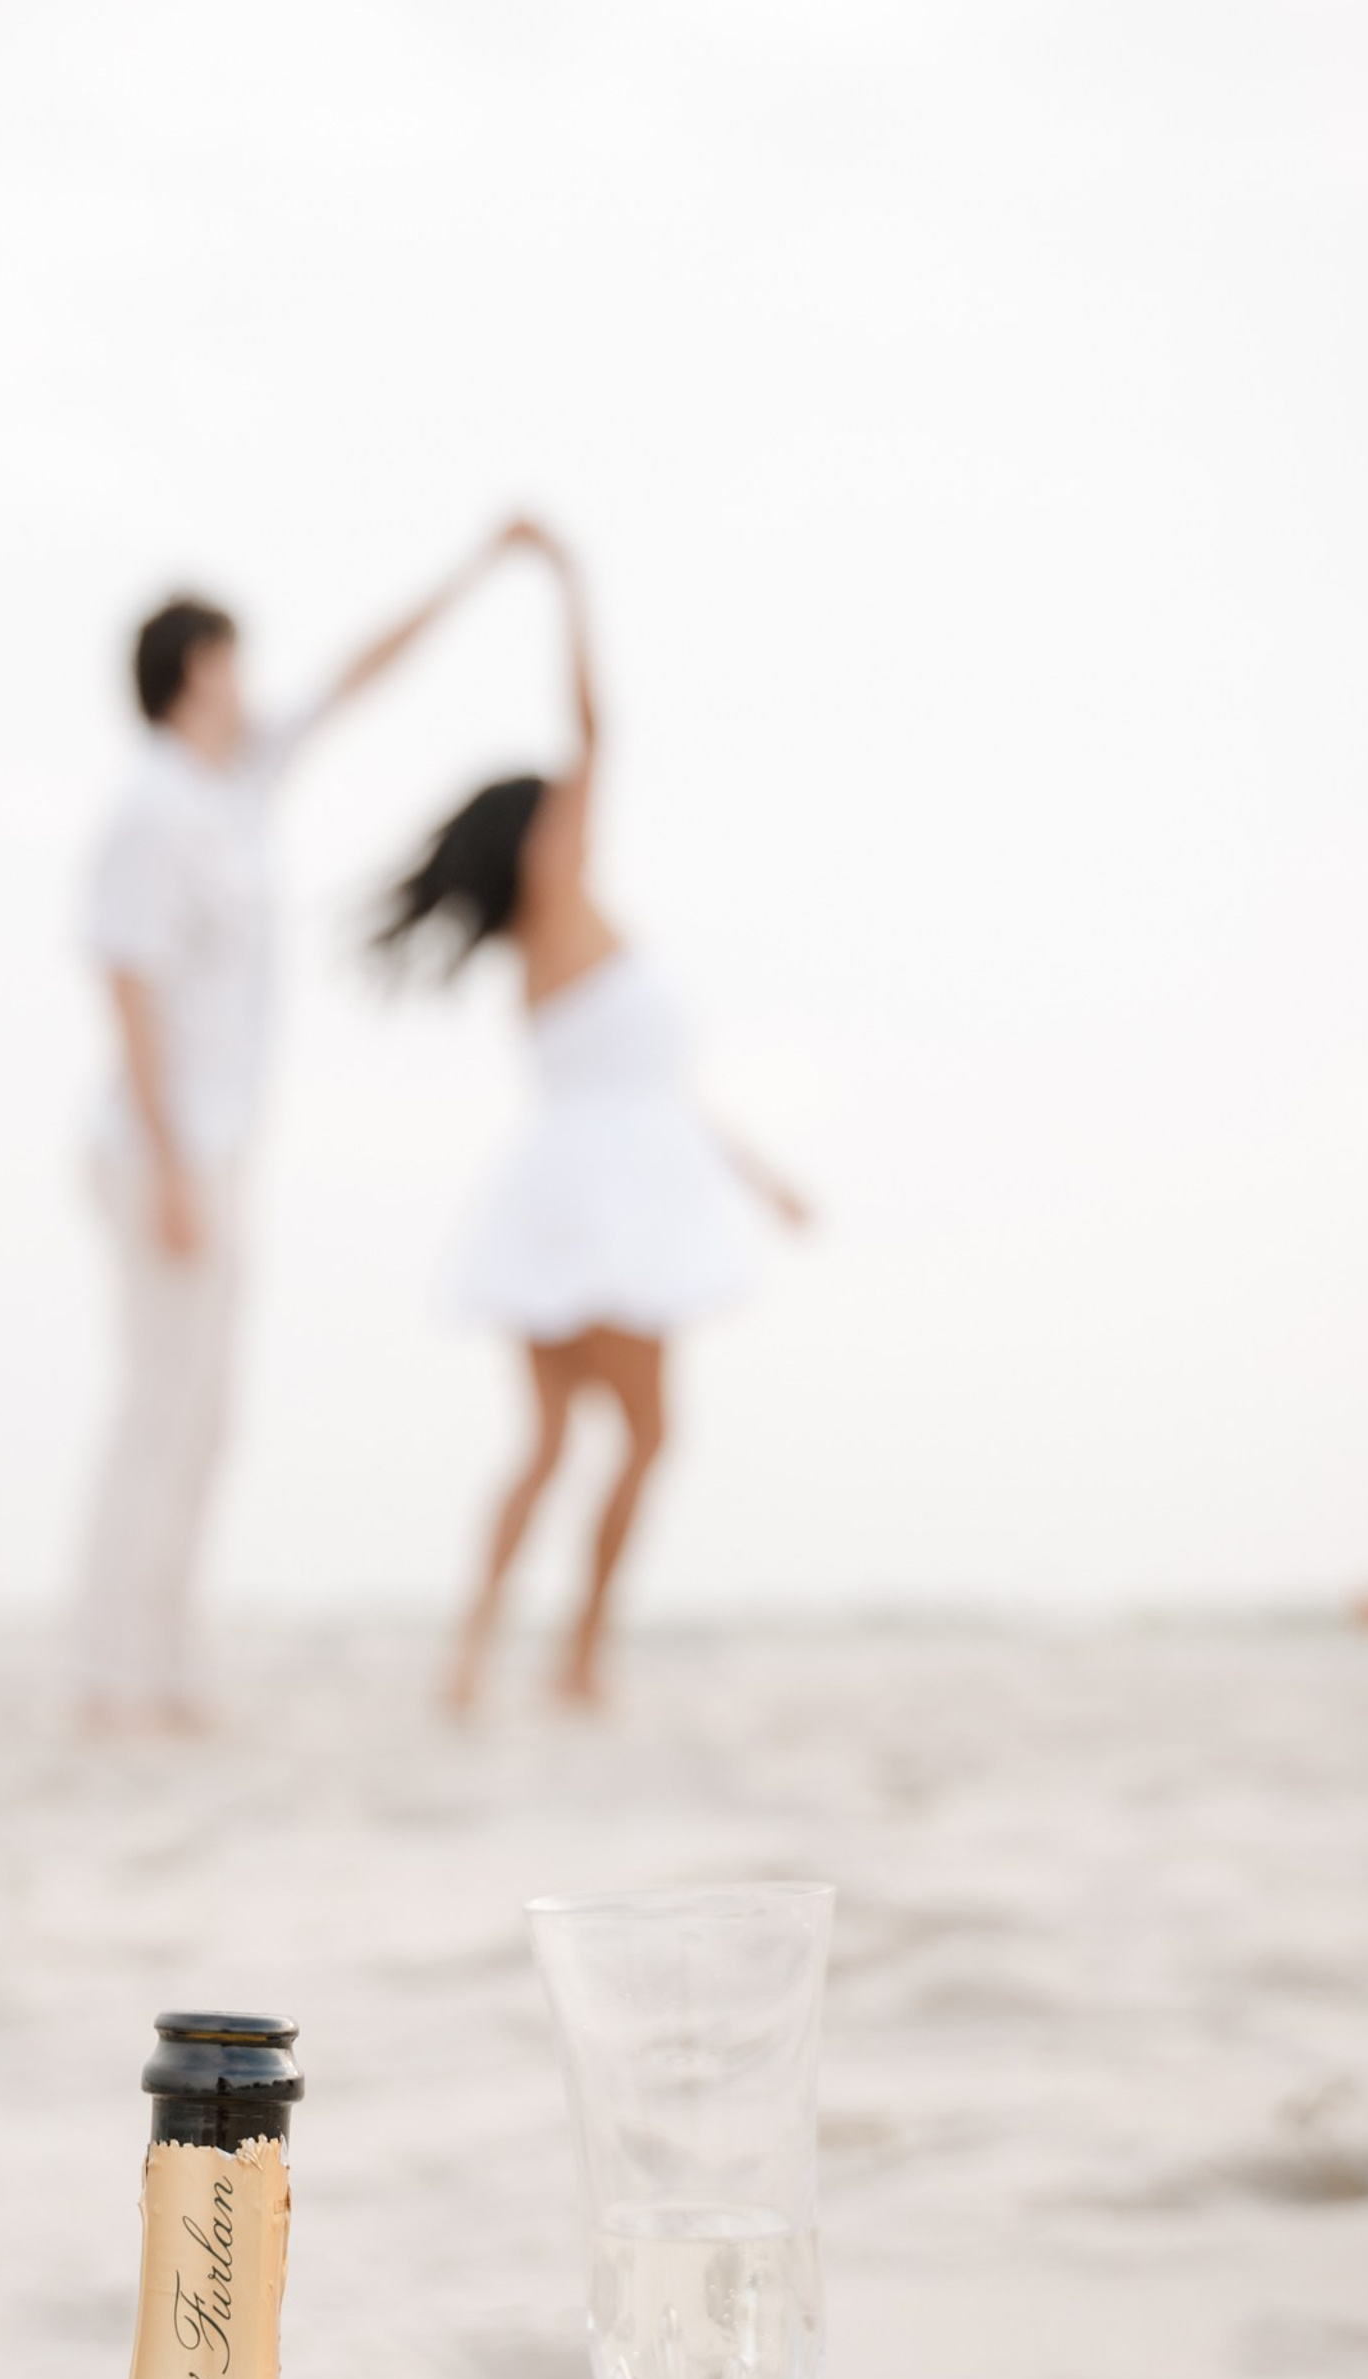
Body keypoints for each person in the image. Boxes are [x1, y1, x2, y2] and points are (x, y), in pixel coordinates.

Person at [76, 527, 524, 1734]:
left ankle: (164, 1667)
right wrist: (172, 1167)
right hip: (159, 1146)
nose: (252, 679)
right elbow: (125, 984)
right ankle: (110, 1674)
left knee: (208, 1410)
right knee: (161, 1402)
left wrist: (474, 570)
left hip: (219, 1144)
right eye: (232, 661)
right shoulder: (152, 810)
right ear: (195, 672)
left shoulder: (238, 784)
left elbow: (359, 672)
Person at [373, 523, 811, 1715]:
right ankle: (577, 1655)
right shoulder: (561, 912)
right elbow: (598, 736)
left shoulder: (551, 945)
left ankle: (475, 1655)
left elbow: (655, 1083)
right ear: (546, 835)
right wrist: (567, 582)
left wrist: (756, 1176)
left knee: (554, 1444)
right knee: (646, 1438)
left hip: (564, 1193)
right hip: (612, 1206)